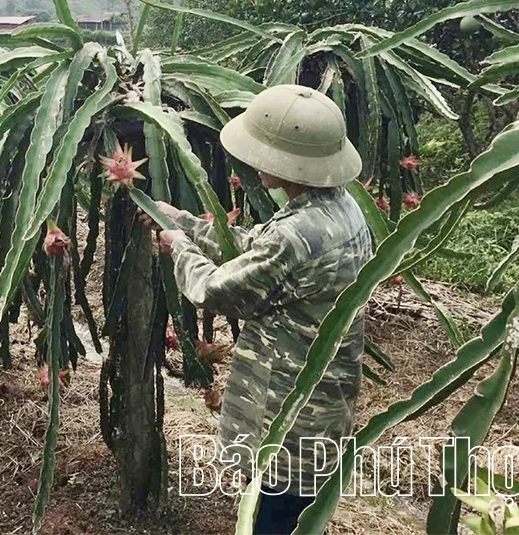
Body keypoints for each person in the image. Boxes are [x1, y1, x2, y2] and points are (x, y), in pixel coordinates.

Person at [140, 84, 372, 535]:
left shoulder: (297, 234)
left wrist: (180, 247)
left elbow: (215, 290)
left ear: (289, 162)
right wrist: (184, 222)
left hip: (286, 416)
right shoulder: (338, 207)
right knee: (300, 517)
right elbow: (258, 249)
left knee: (274, 520)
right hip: (321, 403)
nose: (254, 161)